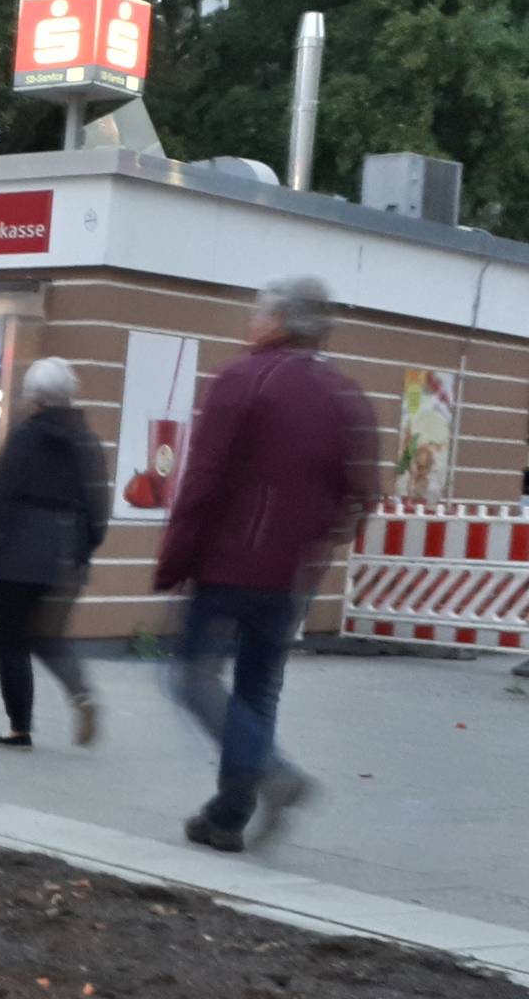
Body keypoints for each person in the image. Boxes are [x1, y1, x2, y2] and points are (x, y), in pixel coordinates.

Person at [154, 276, 376, 854]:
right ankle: (228, 815)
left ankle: (271, 773)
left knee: (190, 676)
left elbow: (203, 481)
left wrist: (175, 559)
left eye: (257, 312)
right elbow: (361, 492)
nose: (250, 321)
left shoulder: (243, 380)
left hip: (228, 563)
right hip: (290, 574)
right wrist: (314, 544)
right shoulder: (342, 395)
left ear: (278, 322)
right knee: (257, 690)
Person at [0, 357, 108, 750]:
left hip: (21, 551)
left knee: (12, 640)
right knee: (48, 635)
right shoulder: (86, 439)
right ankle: (81, 694)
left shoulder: (26, 436)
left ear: (37, 399)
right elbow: (99, 502)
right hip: (67, 553)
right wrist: (85, 548)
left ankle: (19, 726)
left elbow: (1, 493)